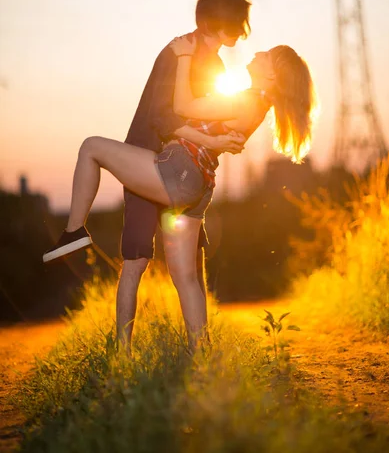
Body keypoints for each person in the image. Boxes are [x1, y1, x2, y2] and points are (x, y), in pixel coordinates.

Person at [43, 31, 318, 352]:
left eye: (266, 55)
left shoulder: (247, 100)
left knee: (91, 147)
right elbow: (192, 123)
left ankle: (74, 230)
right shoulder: (255, 103)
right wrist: (212, 141)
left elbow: (183, 106)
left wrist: (185, 56)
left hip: (178, 171)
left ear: (272, 74)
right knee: (186, 278)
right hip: (198, 187)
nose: (257, 54)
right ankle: (201, 355)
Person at [43, 0, 251, 353]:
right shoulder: (177, 52)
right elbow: (163, 116)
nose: (243, 29)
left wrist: (222, 137)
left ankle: (198, 352)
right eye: (237, 21)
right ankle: (124, 352)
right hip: (148, 162)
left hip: (179, 169)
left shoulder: (215, 66)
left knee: (188, 268)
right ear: (217, 21)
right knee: (137, 261)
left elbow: (198, 120)